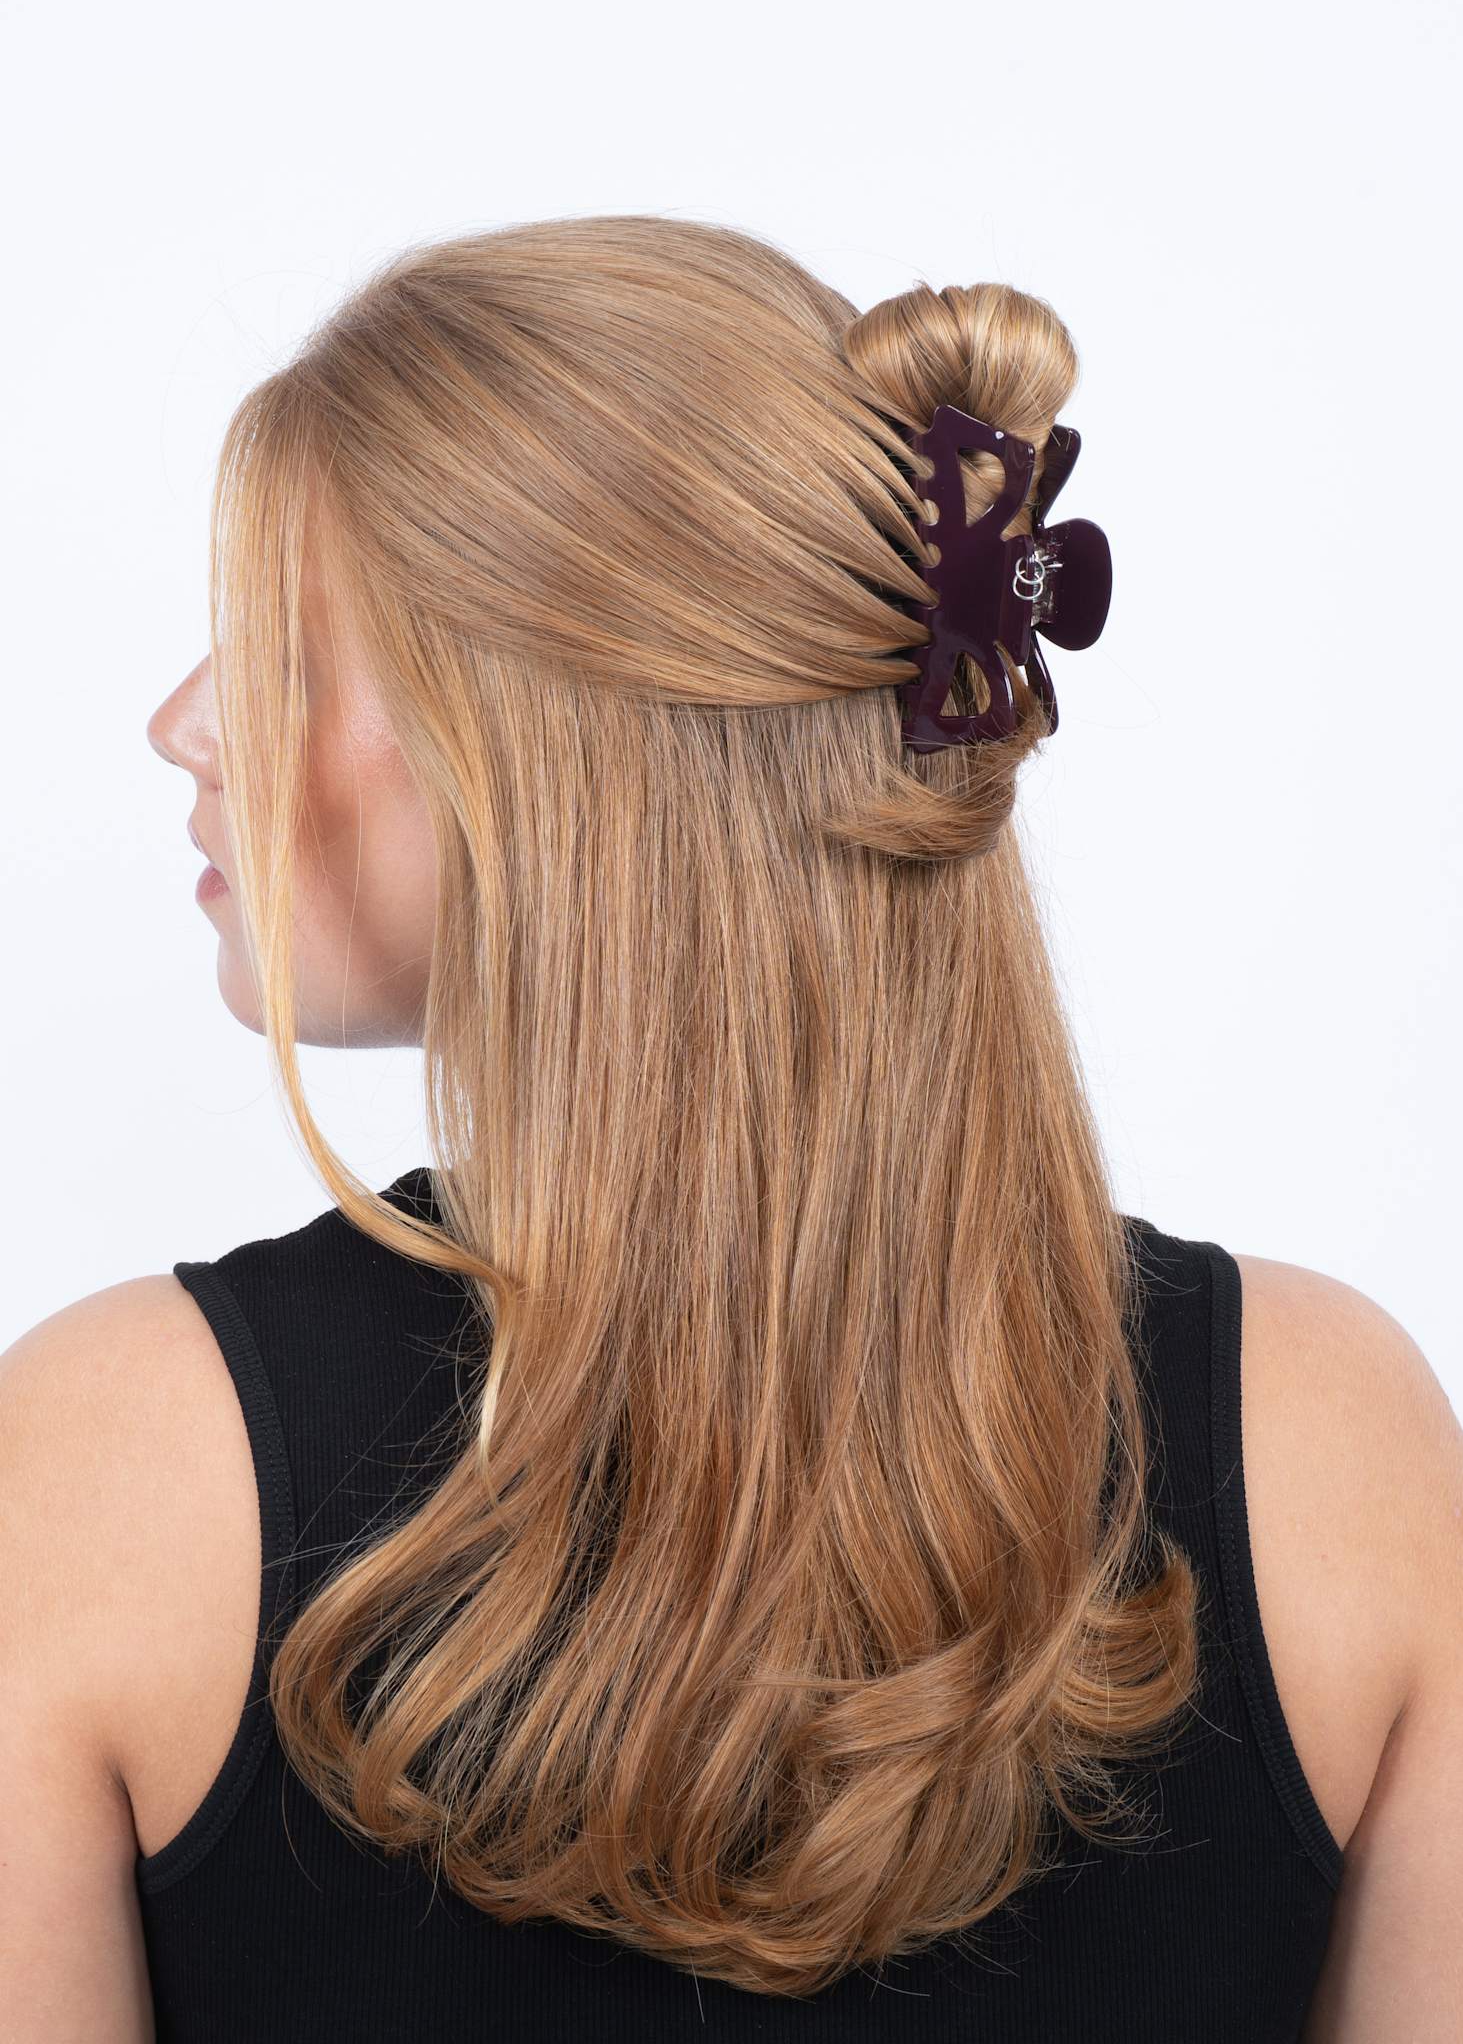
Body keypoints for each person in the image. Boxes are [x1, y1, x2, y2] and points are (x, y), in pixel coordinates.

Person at [2, 217, 1458, 2043]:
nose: (183, 727)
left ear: (567, 757)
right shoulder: (1331, 1444)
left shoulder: (116, 1474)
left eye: (285, 656)